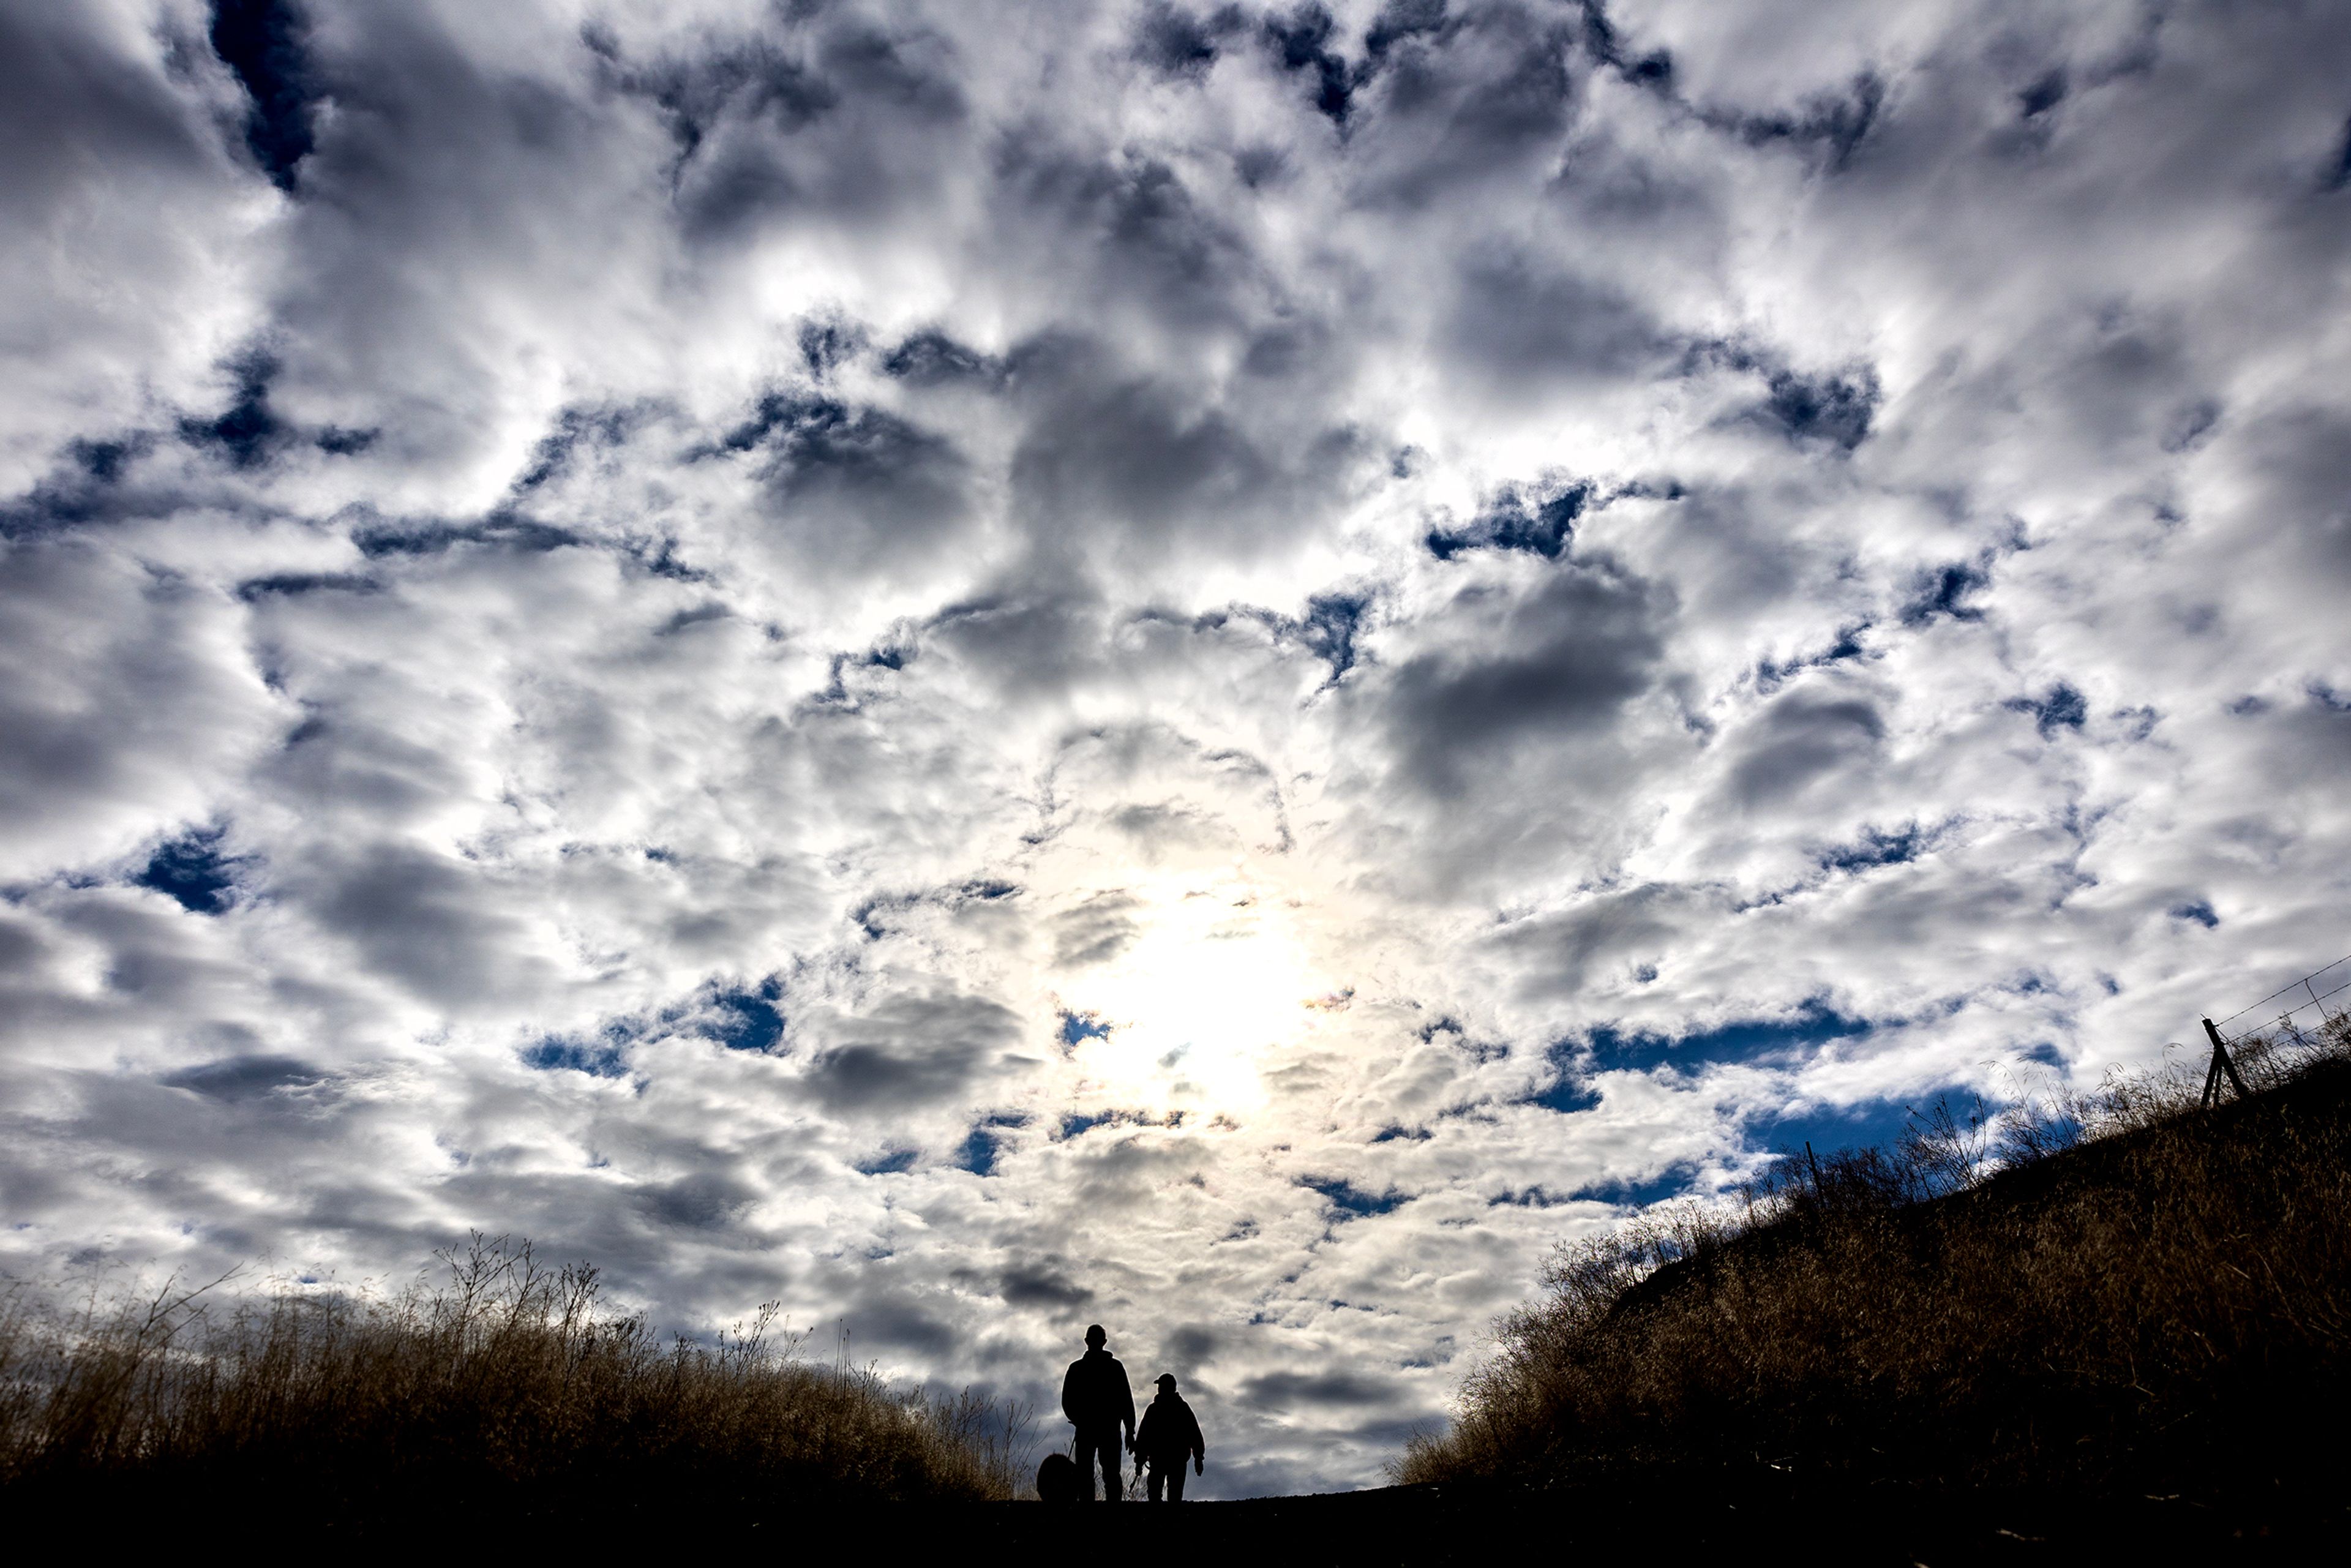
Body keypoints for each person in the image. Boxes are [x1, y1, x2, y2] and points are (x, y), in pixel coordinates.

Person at [1059, 1324, 1134, 1501]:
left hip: (1088, 1428)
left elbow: (1067, 1401)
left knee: (1087, 1474)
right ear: (1104, 1342)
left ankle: (1088, 1514)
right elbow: (1126, 1401)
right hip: (1109, 1428)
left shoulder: (1077, 1368)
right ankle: (1112, 1515)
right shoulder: (1115, 1368)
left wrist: (1077, 1418)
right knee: (1110, 1474)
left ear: (1087, 1341)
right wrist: (1130, 1431)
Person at [1133, 1373, 1206, 1502]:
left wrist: (1139, 1461)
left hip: (1161, 1459)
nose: (1159, 1388)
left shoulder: (1154, 1409)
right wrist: (1198, 1458)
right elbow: (1195, 1434)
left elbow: (1143, 1437)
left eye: (1160, 1385)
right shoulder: (1182, 1408)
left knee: (1158, 1496)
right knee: (1172, 1497)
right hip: (1174, 1459)